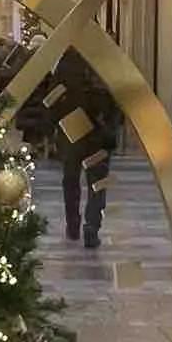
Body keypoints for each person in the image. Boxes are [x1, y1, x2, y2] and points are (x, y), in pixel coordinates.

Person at [47, 49, 120, 248]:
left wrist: (54, 124)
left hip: (72, 125)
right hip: (99, 128)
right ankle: (92, 226)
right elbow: (118, 95)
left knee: (71, 178)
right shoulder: (106, 58)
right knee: (97, 181)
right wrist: (113, 124)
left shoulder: (67, 60)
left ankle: (73, 223)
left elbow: (53, 96)